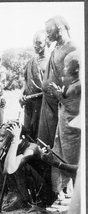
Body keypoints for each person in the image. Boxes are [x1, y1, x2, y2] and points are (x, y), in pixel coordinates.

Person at [46, 50, 81, 198]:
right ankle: (64, 191)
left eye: (67, 66)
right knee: (60, 156)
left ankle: (75, 196)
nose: (64, 69)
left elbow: (74, 108)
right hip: (64, 129)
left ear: (77, 68)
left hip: (72, 131)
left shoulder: (79, 85)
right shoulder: (73, 83)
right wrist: (60, 92)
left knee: (71, 160)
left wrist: (58, 94)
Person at [37, 15, 77, 148]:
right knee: (44, 138)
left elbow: (73, 77)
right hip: (48, 100)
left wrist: (60, 94)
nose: (47, 35)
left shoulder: (72, 48)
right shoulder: (55, 48)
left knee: (57, 140)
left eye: (49, 31)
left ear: (59, 28)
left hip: (60, 101)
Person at [19, 30, 49, 140]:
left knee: (41, 136)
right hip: (29, 104)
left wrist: (31, 97)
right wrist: (21, 95)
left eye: (39, 43)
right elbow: (26, 81)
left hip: (43, 104)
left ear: (46, 42)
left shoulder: (50, 61)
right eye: (34, 43)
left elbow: (50, 88)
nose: (36, 46)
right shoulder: (31, 61)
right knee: (28, 135)